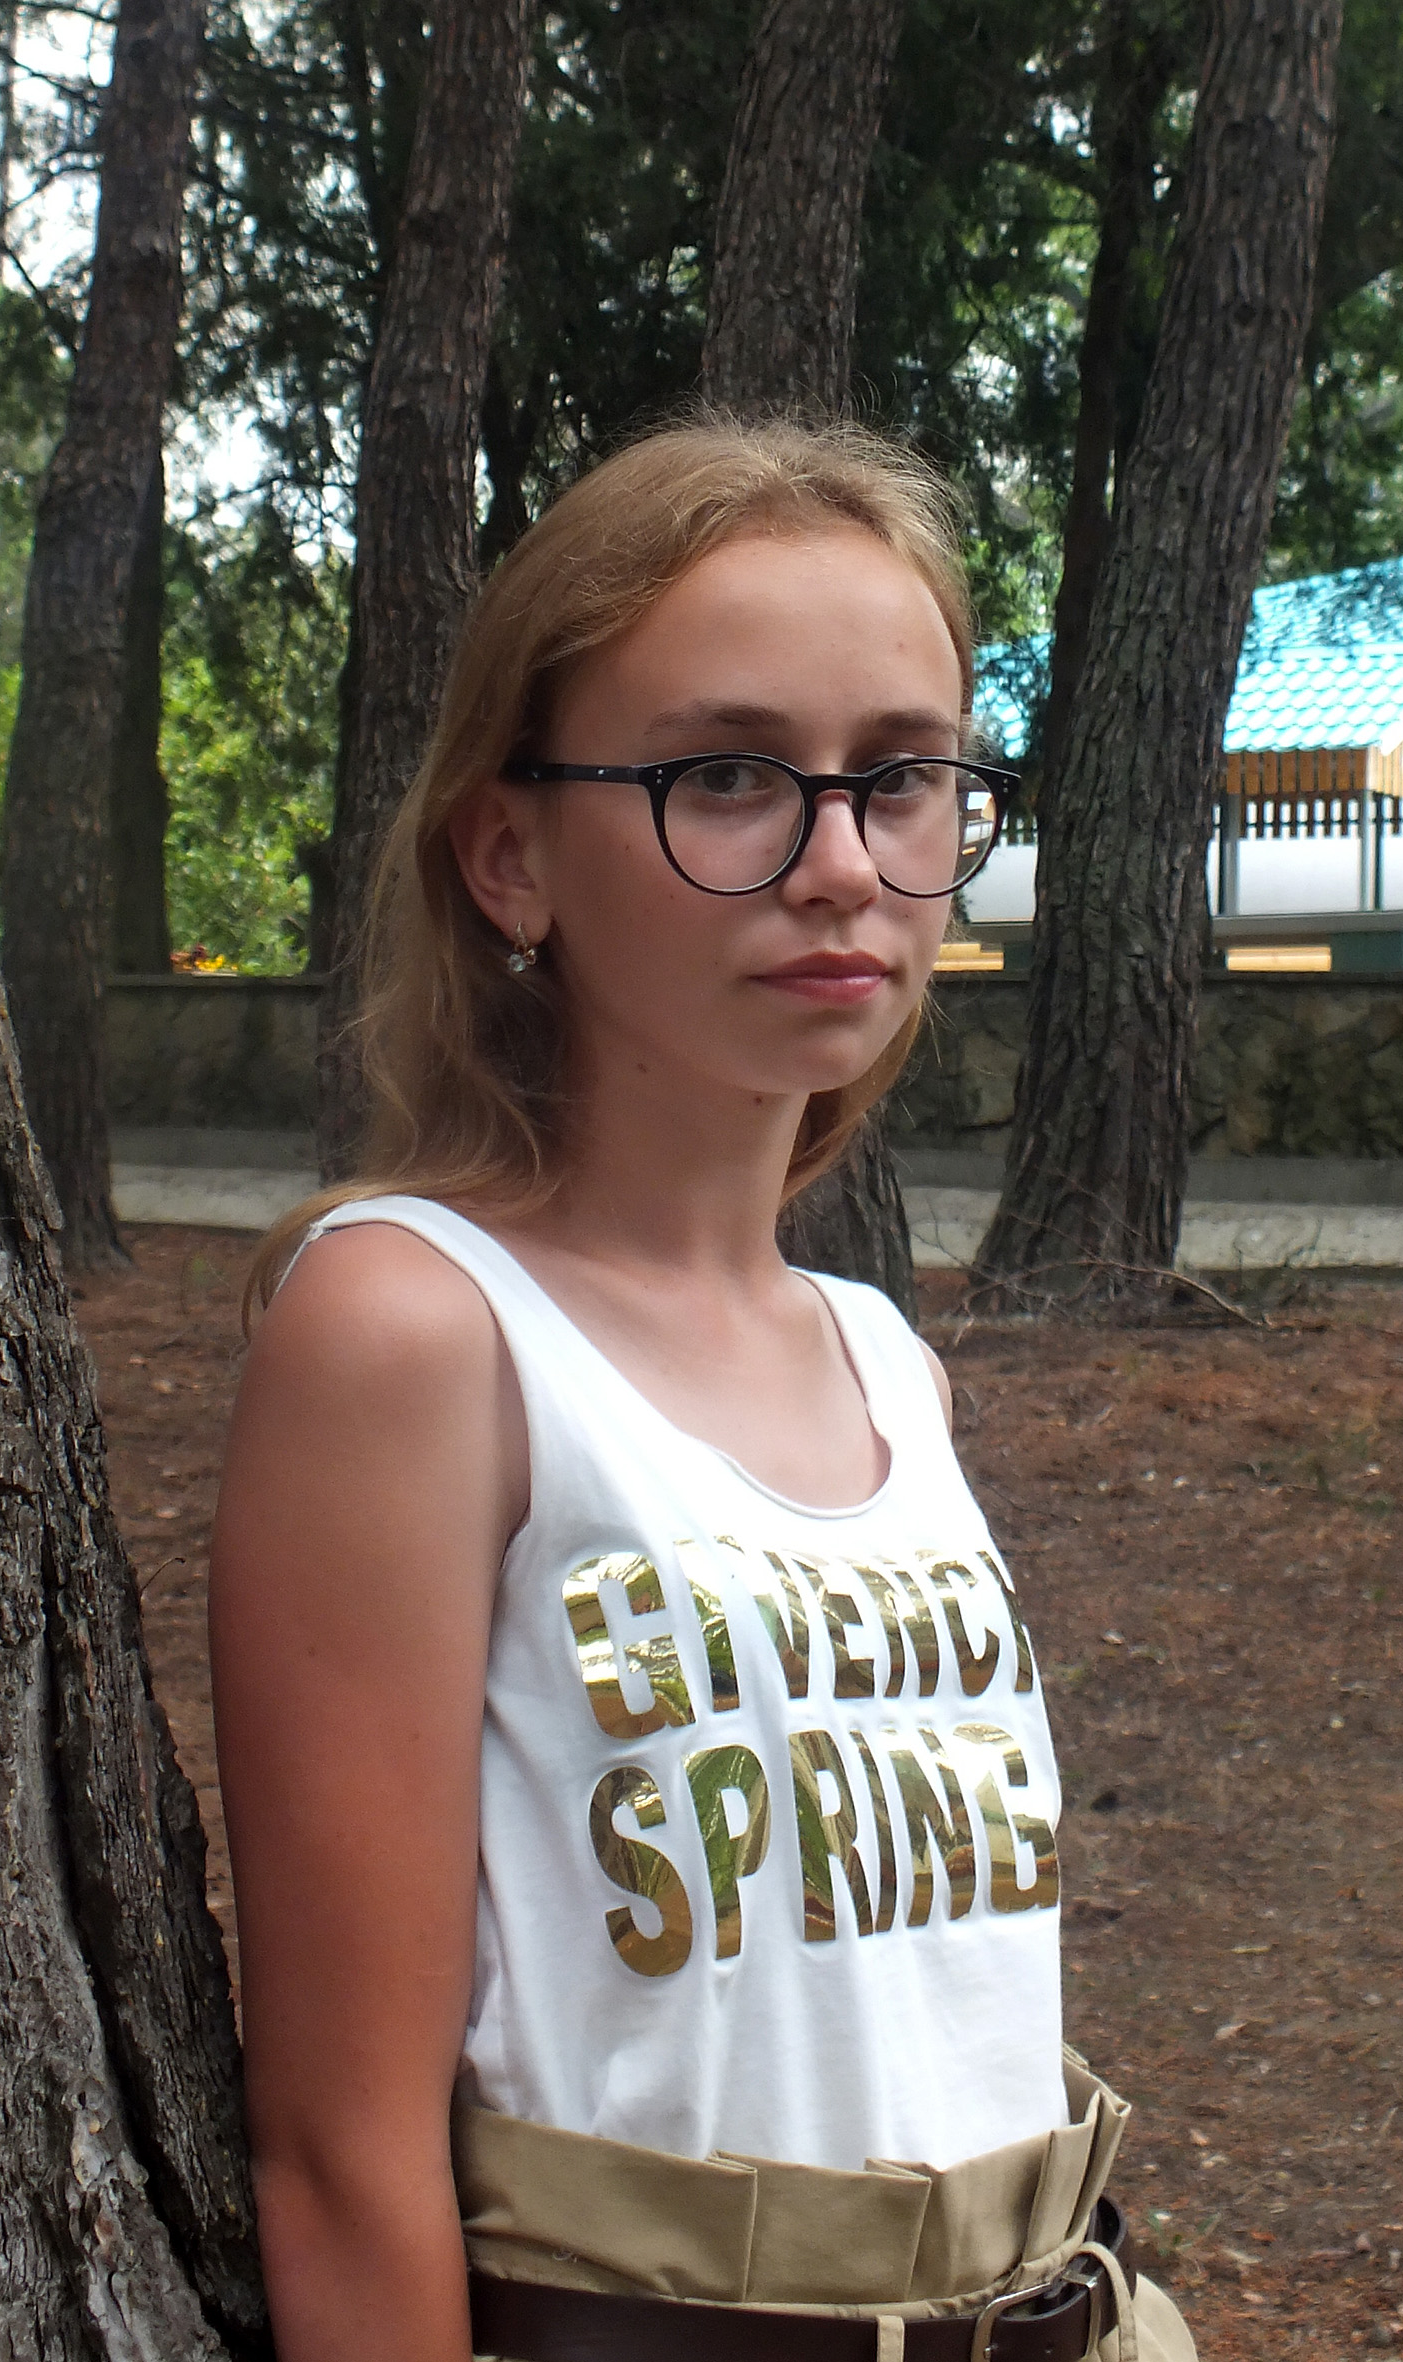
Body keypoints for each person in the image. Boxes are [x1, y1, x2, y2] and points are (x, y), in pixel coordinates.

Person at [209, 417, 1195, 2362]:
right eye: (727, 776)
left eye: (903, 777)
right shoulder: (419, 1330)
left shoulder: (883, 1358)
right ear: (511, 854)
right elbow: (338, 2153)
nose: (841, 864)